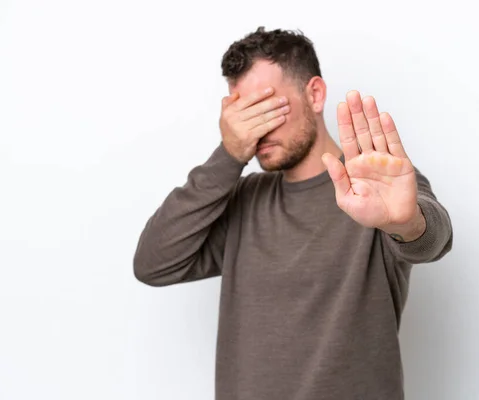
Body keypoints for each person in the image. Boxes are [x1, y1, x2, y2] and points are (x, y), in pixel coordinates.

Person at [133, 26, 453, 400]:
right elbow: (153, 264)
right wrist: (229, 153)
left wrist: (406, 223)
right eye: (243, 115)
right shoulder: (243, 201)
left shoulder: (373, 185)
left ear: (314, 94)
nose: (257, 131)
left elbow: (431, 239)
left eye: (266, 108)